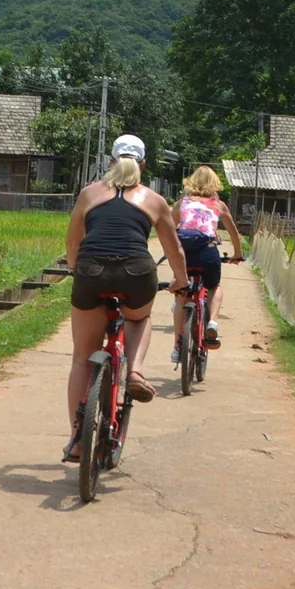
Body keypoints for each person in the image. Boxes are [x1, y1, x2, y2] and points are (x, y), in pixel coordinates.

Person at [62, 133, 192, 462]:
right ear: (143, 165)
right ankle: (135, 372)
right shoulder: (154, 199)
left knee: (81, 357)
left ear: (110, 161)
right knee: (140, 317)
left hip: (91, 271)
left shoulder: (88, 194)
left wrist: (79, 271)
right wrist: (181, 279)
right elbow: (173, 248)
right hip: (136, 273)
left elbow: (73, 244)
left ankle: (78, 441)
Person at [173, 164, 244, 352]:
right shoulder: (218, 204)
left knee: (181, 295)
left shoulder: (182, 203)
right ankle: (212, 322)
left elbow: (168, 227)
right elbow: (233, 233)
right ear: (215, 184)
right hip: (208, 251)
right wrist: (237, 254)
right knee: (213, 285)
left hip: (185, 254)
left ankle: (177, 346)